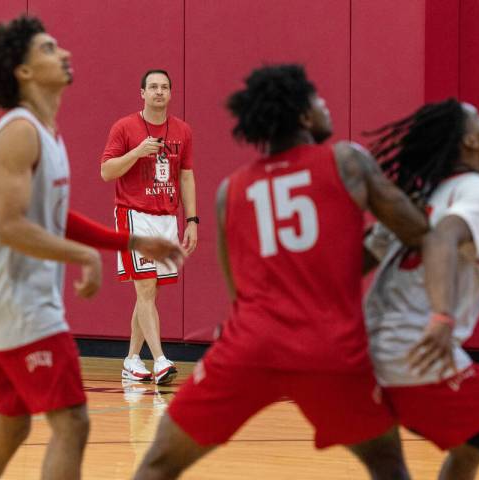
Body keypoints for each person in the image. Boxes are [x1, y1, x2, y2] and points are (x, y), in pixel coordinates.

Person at [133, 64, 429, 480]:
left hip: (251, 346)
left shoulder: (230, 190)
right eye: (318, 99)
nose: (326, 106)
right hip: (328, 349)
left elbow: (241, 293)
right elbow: (416, 231)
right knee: (388, 466)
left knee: (159, 462)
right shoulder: (347, 160)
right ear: (304, 115)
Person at [0, 16, 184, 480]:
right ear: (23, 72)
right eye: (47, 49)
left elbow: (53, 216)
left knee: (10, 430)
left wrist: (128, 240)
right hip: (24, 307)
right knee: (72, 423)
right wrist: (82, 256)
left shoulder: (47, 133)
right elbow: (10, 224)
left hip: (14, 307)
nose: (63, 54)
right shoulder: (19, 132)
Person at [363, 99, 479, 480]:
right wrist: (442, 315)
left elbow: (360, 257)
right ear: (468, 142)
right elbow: (445, 238)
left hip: (370, 353)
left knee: (470, 447)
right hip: (416, 354)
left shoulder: (421, 196)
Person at [100, 69, 197, 384]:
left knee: (149, 292)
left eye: (164, 87)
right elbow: (106, 171)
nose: (159, 92)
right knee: (144, 287)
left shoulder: (182, 130)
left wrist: (192, 220)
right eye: (153, 87)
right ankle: (160, 359)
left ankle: (131, 359)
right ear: (141, 92)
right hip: (133, 216)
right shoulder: (125, 127)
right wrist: (137, 152)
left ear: (171, 93)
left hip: (166, 217)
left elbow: (186, 176)